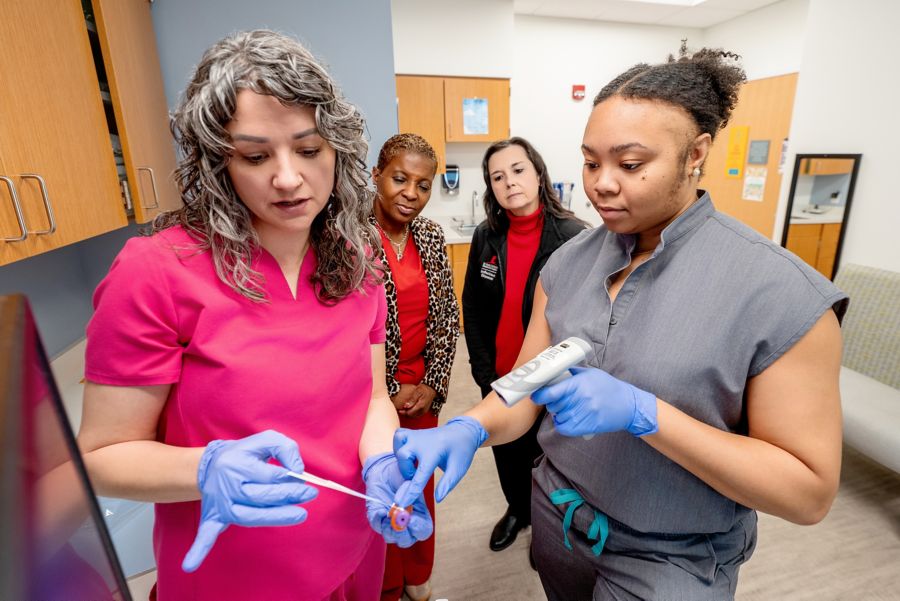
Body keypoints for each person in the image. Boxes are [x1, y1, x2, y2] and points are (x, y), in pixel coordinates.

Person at [392, 45, 849, 600]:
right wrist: (469, 426)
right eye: (590, 162)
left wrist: (645, 413)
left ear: (695, 153)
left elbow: (806, 493)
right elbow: (524, 389)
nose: (602, 183)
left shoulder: (778, 293)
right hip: (559, 523)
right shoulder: (569, 264)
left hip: (670, 558)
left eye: (630, 165)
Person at [76, 30, 431, 601]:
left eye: (309, 150)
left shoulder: (358, 256)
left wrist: (382, 463)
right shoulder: (157, 271)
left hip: (353, 549)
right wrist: (203, 468)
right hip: (234, 576)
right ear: (221, 161)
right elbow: (101, 457)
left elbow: (371, 399)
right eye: (256, 155)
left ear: (337, 149)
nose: (288, 179)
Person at [463, 138, 585, 554]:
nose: (509, 182)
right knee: (507, 452)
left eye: (517, 170)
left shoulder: (573, 236)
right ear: (491, 188)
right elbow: (473, 307)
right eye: (498, 176)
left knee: (548, 457)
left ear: (537, 173)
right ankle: (517, 509)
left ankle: (546, 527)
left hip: (549, 376)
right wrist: (484, 371)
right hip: (499, 372)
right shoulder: (486, 236)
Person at [369, 133, 459, 601]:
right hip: (370, 399)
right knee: (380, 488)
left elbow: (446, 315)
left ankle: (417, 580)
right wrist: (386, 391)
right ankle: (384, 587)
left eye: (423, 185)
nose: (411, 193)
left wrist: (432, 383)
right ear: (376, 176)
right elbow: (349, 330)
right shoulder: (350, 237)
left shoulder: (429, 234)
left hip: (422, 394)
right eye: (400, 179)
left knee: (419, 486)